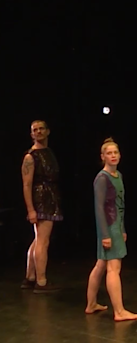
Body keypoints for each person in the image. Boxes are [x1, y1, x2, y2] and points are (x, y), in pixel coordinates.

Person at [85, 138, 137, 321]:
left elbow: (120, 205)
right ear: (103, 157)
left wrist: (122, 228)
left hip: (116, 225)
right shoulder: (102, 178)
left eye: (115, 152)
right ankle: (119, 311)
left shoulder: (119, 176)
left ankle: (91, 304)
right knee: (113, 268)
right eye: (109, 153)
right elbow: (99, 207)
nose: (113, 156)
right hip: (108, 226)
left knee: (101, 264)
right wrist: (106, 234)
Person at [21, 120, 63, 293]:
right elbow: (26, 185)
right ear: (31, 134)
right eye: (34, 130)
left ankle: (30, 277)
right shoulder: (31, 156)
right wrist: (31, 209)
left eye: (41, 129)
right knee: (42, 241)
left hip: (50, 197)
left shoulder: (48, 152)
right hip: (41, 199)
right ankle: (41, 281)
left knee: (38, 240)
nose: (38, 132)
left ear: (47, 131)